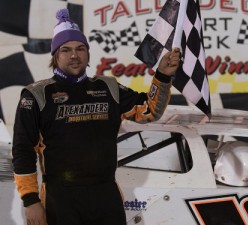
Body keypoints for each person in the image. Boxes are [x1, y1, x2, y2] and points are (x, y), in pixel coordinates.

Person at [12, 8, 180, 225]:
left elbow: (150, 110)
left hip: (105, 195)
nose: (74, 55)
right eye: (66, 50)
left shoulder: (108, 87)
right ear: (55, 55)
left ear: (88, 53)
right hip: (60, 198)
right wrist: (30, 201)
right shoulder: (36, 95)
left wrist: (163, 76)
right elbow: (22, 151)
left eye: (80, 48)